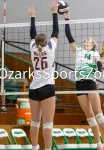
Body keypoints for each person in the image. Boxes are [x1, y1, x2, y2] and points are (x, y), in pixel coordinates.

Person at [63, 12, 104, 150]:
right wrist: (67, 19)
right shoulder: (78, 51)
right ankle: (99, 143)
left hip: (90, 82)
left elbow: (98, 62)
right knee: (89, 115)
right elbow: (69, 36)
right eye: (86, 39)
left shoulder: (94, 53)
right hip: (79, 84)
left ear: (93, 44)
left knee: (98, 112)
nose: (86, 40)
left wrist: (100, 68)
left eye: (89, 40)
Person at [27, 0, 59, 149]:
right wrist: (54, 12)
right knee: (47, 123)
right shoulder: (51, 47)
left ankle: (34, 147)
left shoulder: (33, 47)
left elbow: (32, 33)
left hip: (33, 88)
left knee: (34, 122)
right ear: (46, 42)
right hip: (47, 88)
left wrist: (33, 16)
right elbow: (56, 31)